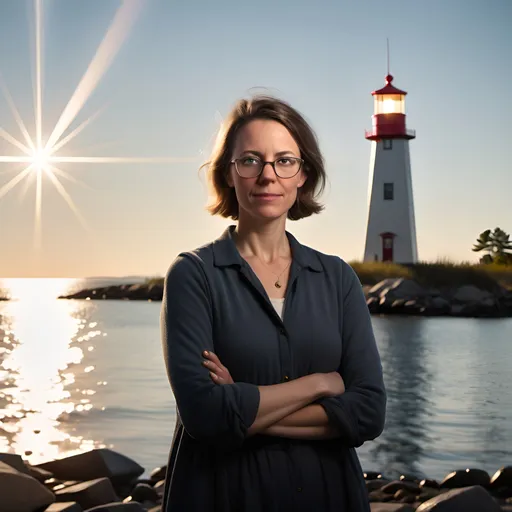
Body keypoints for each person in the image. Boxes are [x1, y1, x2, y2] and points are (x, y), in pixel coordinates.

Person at [160, 95, 386, 511]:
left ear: (303, 174)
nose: (268, 176)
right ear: (228, 173)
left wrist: (244, 407)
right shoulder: (193, 275)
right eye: (250, 160)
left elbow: (369, 412)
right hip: (223, 497)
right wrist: (319, 385)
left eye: (284, 160)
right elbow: (206, 417)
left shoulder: (337, 279)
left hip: (330, 497)